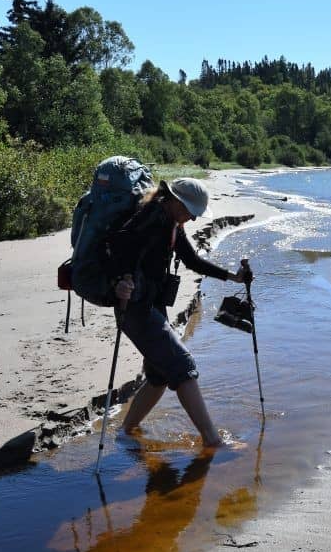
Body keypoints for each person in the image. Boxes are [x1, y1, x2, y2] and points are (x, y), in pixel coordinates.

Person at [105, 177, 249, 448]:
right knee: (183, 366)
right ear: (173, 200)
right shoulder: (151, 217)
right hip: (135, 307)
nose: (192, 220)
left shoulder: (171, 221)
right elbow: (120, 243)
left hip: (151, 306)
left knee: (159, 375)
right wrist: (121, 279)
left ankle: (127, 431)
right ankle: (213, 441)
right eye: (189, 212)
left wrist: (233, 278)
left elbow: (192, 260)